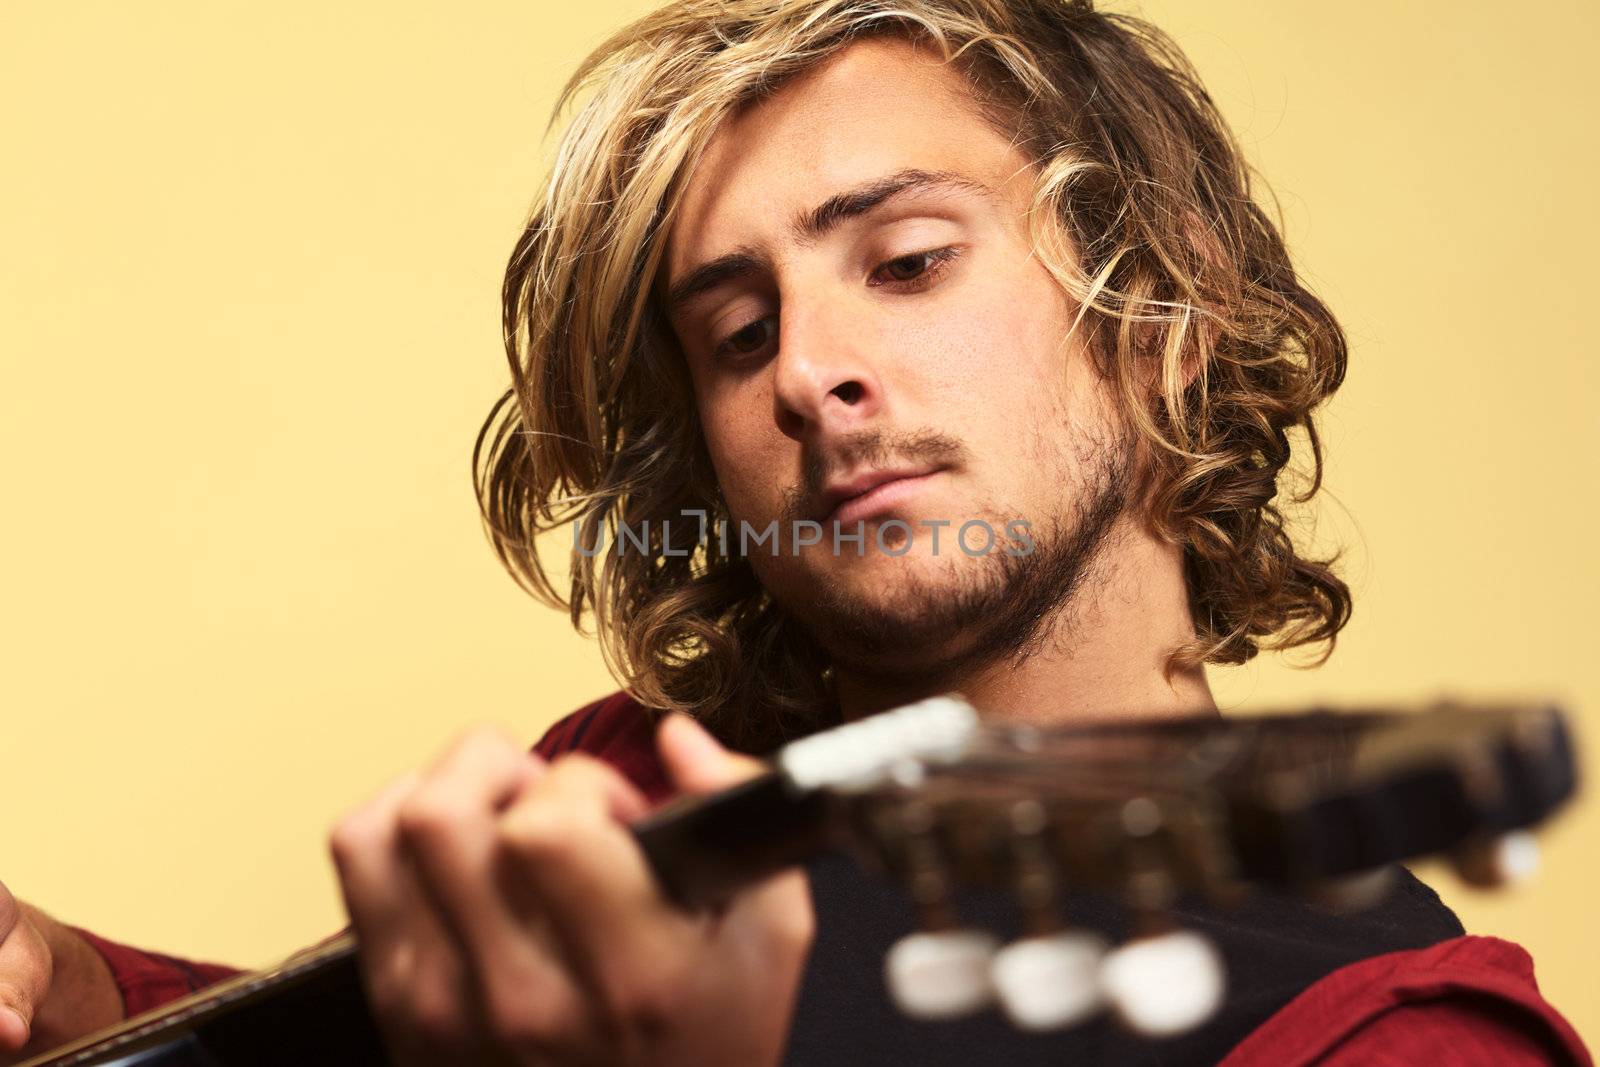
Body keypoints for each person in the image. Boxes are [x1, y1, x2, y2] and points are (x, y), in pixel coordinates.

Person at [0, 1, 1590, 1064]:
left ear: (1160, 309)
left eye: (906, 262)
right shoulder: (625, 795)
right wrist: (83, 996)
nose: (813, 374)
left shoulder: (1388, 1034)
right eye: (740, 332)